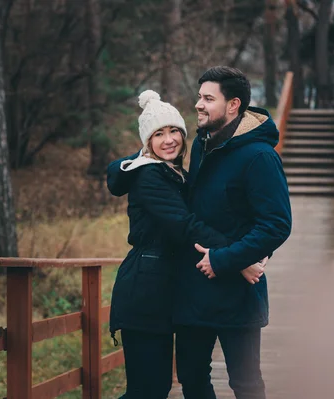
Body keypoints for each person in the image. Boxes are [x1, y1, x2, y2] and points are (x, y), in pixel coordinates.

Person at [107, 89, 267, 399]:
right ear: (147, 143)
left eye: (174, 132)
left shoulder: (176, 174)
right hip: (144, 293)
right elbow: (185, 226)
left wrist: (252, 248)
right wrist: (240, 259)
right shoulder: (150, 176)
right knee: (146, 390)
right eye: (158, 134)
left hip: (166, 293)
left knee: (157, 388)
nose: (169, 140)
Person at [171, 66, 292, 399]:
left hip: (238, 294)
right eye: (199, 97)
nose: (199, 104)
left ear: (234, 105)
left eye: (208, 99)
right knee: (192, 378)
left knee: (246, 383)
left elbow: (277, 224)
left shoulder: (260, 157)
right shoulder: (201, 146)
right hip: (194, 289)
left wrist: (226, 260)